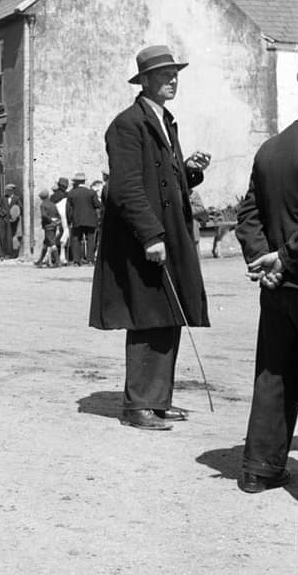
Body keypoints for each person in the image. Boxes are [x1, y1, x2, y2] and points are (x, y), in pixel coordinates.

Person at [90, 44, 211, 430]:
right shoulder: (128, 125)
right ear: (143, 80)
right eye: (163, 74)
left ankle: (157, 401)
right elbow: (126, 189)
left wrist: (188, 171)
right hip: (145, 240)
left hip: (167, 235)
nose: (172, 79)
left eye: (174, 73)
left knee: (168, 315)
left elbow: (161, 182)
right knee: (147, 317)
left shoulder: (162, 121)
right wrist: (150, 236)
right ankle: (138, 405)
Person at [234, 116, 298, 493]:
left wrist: (266, 259)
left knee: (274, 374)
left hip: (277, 287)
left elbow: (248, 215)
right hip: (290, 269)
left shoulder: (271, 148)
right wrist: (284, 258)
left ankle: (260, 468)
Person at [67, 173, 101, 265]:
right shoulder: (91, 193)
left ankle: (76, 260)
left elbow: (69, 210)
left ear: (76, 182)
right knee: (90, 239)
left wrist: (69, 220)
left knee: (76, 239)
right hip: (90, 220)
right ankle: (90, 260)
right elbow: (97, 205)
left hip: (77, 220)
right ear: (84, 181)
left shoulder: (71, 194)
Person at [34, 189, 61, 267]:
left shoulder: (43, 205)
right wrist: (56, 222)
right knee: (46, 243)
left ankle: (57, 261)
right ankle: (40, 261)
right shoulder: (53, 204)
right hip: (54, 226)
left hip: (48, 226)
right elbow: (58, 215)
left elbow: (44, 215)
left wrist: (50, 220)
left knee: (52, 243)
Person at [51, 177, 72, 264]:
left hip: (54, 217)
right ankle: (62, 256)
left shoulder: (53, 196)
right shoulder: (67, 196)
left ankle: (53, 257)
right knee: (65, 233)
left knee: (54, 235)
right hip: (65, 217)